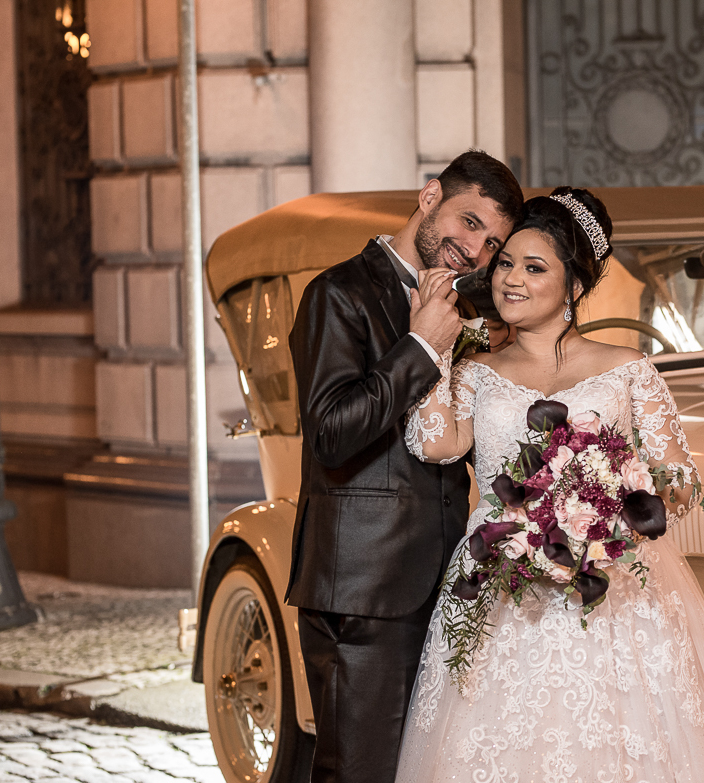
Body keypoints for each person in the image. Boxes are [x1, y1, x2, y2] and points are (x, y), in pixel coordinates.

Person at [398, 187, 704, 782]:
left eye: (533, 268)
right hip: (503, 582)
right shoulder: (475, 373)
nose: (510, 281)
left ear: (573, 286)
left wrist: (615, 500)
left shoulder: (626, 367)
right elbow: (434, 443)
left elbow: (678, 477)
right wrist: (435, 352)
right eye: (504, 265)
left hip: (618, 588)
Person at [285, 150, 523, 783]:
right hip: (363, 590)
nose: (475, 250)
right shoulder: (337, 293)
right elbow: (331, 433)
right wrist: (420, 349)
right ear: (428, 197)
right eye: (468, 222)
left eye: (492, 241)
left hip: (448, 587)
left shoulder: (470, 315)